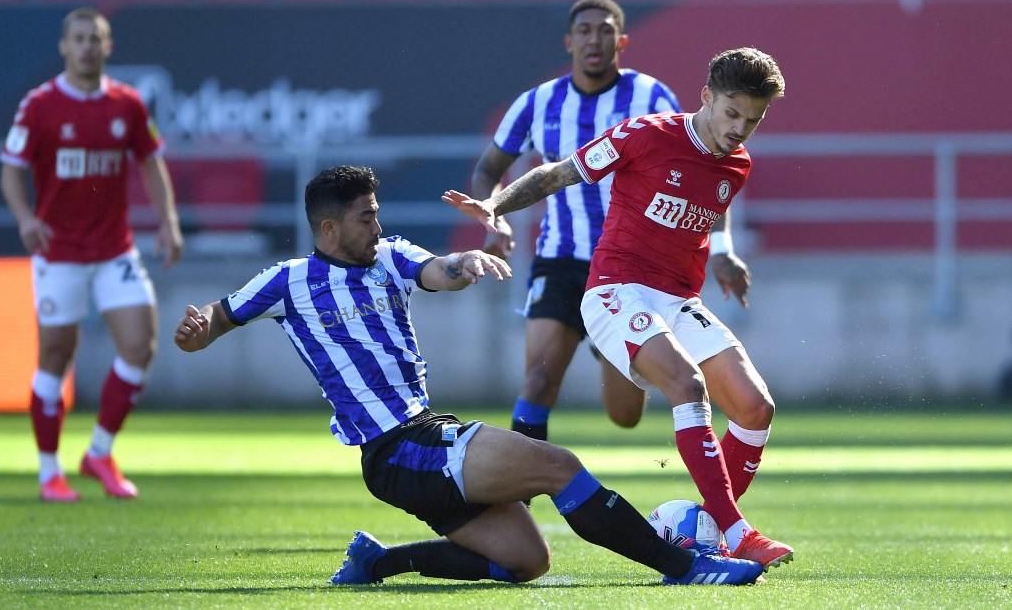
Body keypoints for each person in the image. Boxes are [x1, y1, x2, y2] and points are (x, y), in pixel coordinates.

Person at [173, 165, 762, 586]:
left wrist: (466, 261)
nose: (377, 225)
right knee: (559, 467)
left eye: (377, 213)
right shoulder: (288, 280)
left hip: (420, 436)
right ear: (328, 229)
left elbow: (439, 269)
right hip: (396, 446)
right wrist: (196, 331)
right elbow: (218, 320)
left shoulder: (389, 256)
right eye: (365, 217)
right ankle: (687, 566)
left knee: (526, 560)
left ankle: (380, 562)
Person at [444, 47, 793, 571]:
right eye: (732, 113)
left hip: (679, 300)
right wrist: (495, 204)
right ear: (706, 97)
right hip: (615, 291)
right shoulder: (644, 135)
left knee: (755, 406)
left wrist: (723, 253)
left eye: (753, 120)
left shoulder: (736, 164)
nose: (740, 129)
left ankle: (708, 533)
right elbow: (557, 174)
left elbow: (712, 208)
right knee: (687, 386)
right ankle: (739, 533)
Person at [471, 0, 682, 442]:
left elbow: (691, 172)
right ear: (569, 41)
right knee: (538, 381)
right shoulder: (538, 102)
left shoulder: (652, 97)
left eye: (605, 31)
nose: (594, 40)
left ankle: (607, 347)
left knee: (625, 415)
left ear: (621, 41)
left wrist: (713, 246)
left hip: (627, 267)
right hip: (561, 261)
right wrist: (495, 218)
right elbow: (488, 169)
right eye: (584, 31)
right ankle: (520, 477)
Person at [0, 7, 183, 502]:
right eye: (78, 38)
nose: (86, 47)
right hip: (58, 252)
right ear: (64, 46)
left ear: (108, 46)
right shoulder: (39, 105)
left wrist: (168, 222)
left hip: (113, 248)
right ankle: (48, 473)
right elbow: (11, 170)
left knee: (140, 345)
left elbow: (151, 163)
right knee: (55, 356)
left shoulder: (127, 103)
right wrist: (25, 219)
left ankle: (99, 452)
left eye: (94, 39)